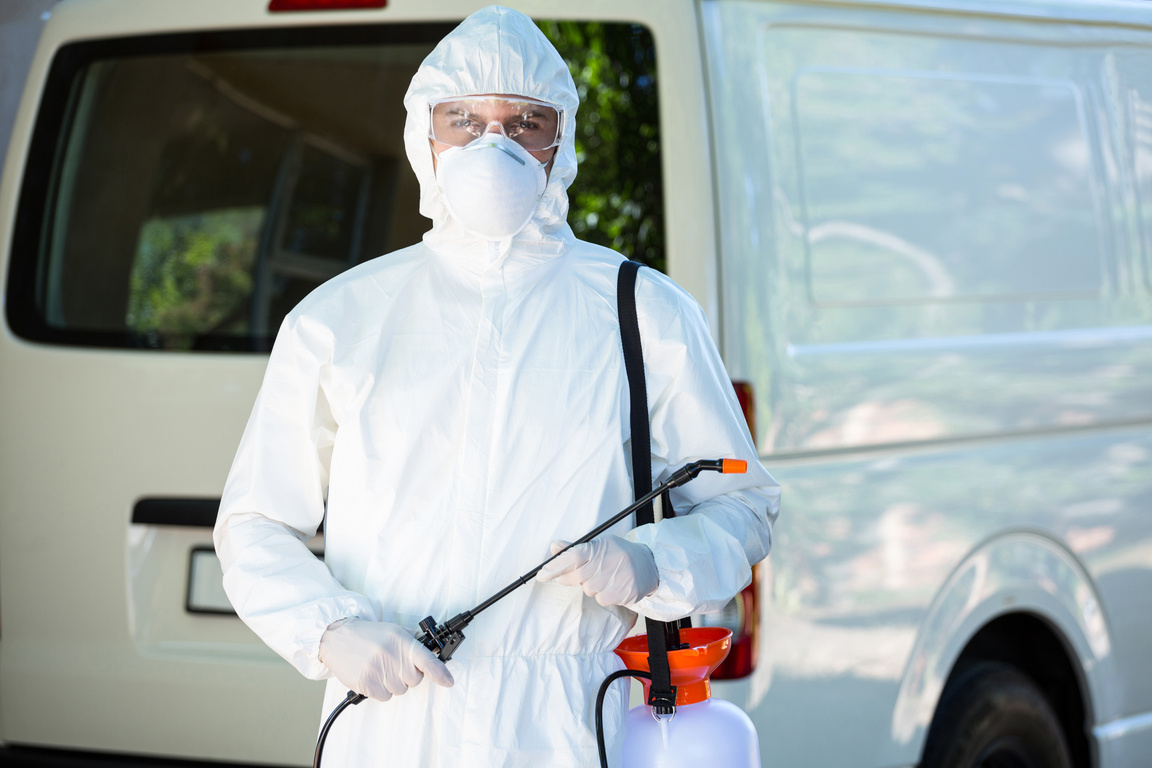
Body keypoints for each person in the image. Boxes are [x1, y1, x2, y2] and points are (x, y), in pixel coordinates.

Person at [213, 5, 780, 767]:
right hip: (392, 724)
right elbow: (253, 522)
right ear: (425, 136)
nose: (493, 145)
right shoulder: (341, 319)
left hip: (575, 723)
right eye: (464, 120)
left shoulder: (643, 311)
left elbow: (743, 505)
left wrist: (651, 563)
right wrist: (329, 630)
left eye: (524, 123)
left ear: (560, 141)